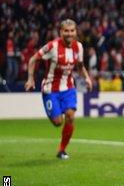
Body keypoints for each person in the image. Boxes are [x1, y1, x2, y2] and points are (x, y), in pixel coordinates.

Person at [25, 19, 92, 160]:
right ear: (61, 32)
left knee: (71, 116)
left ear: (75, 32)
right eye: (66, 31)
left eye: (72, 31)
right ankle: (55, 111)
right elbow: (32, 60)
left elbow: (80, 66)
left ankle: (62, 150)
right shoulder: (52, 46)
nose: (69, 33)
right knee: (58, 122)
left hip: (68, 88)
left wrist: (87, 77)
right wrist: (30, 79)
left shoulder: (78, 47)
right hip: (50, 89)